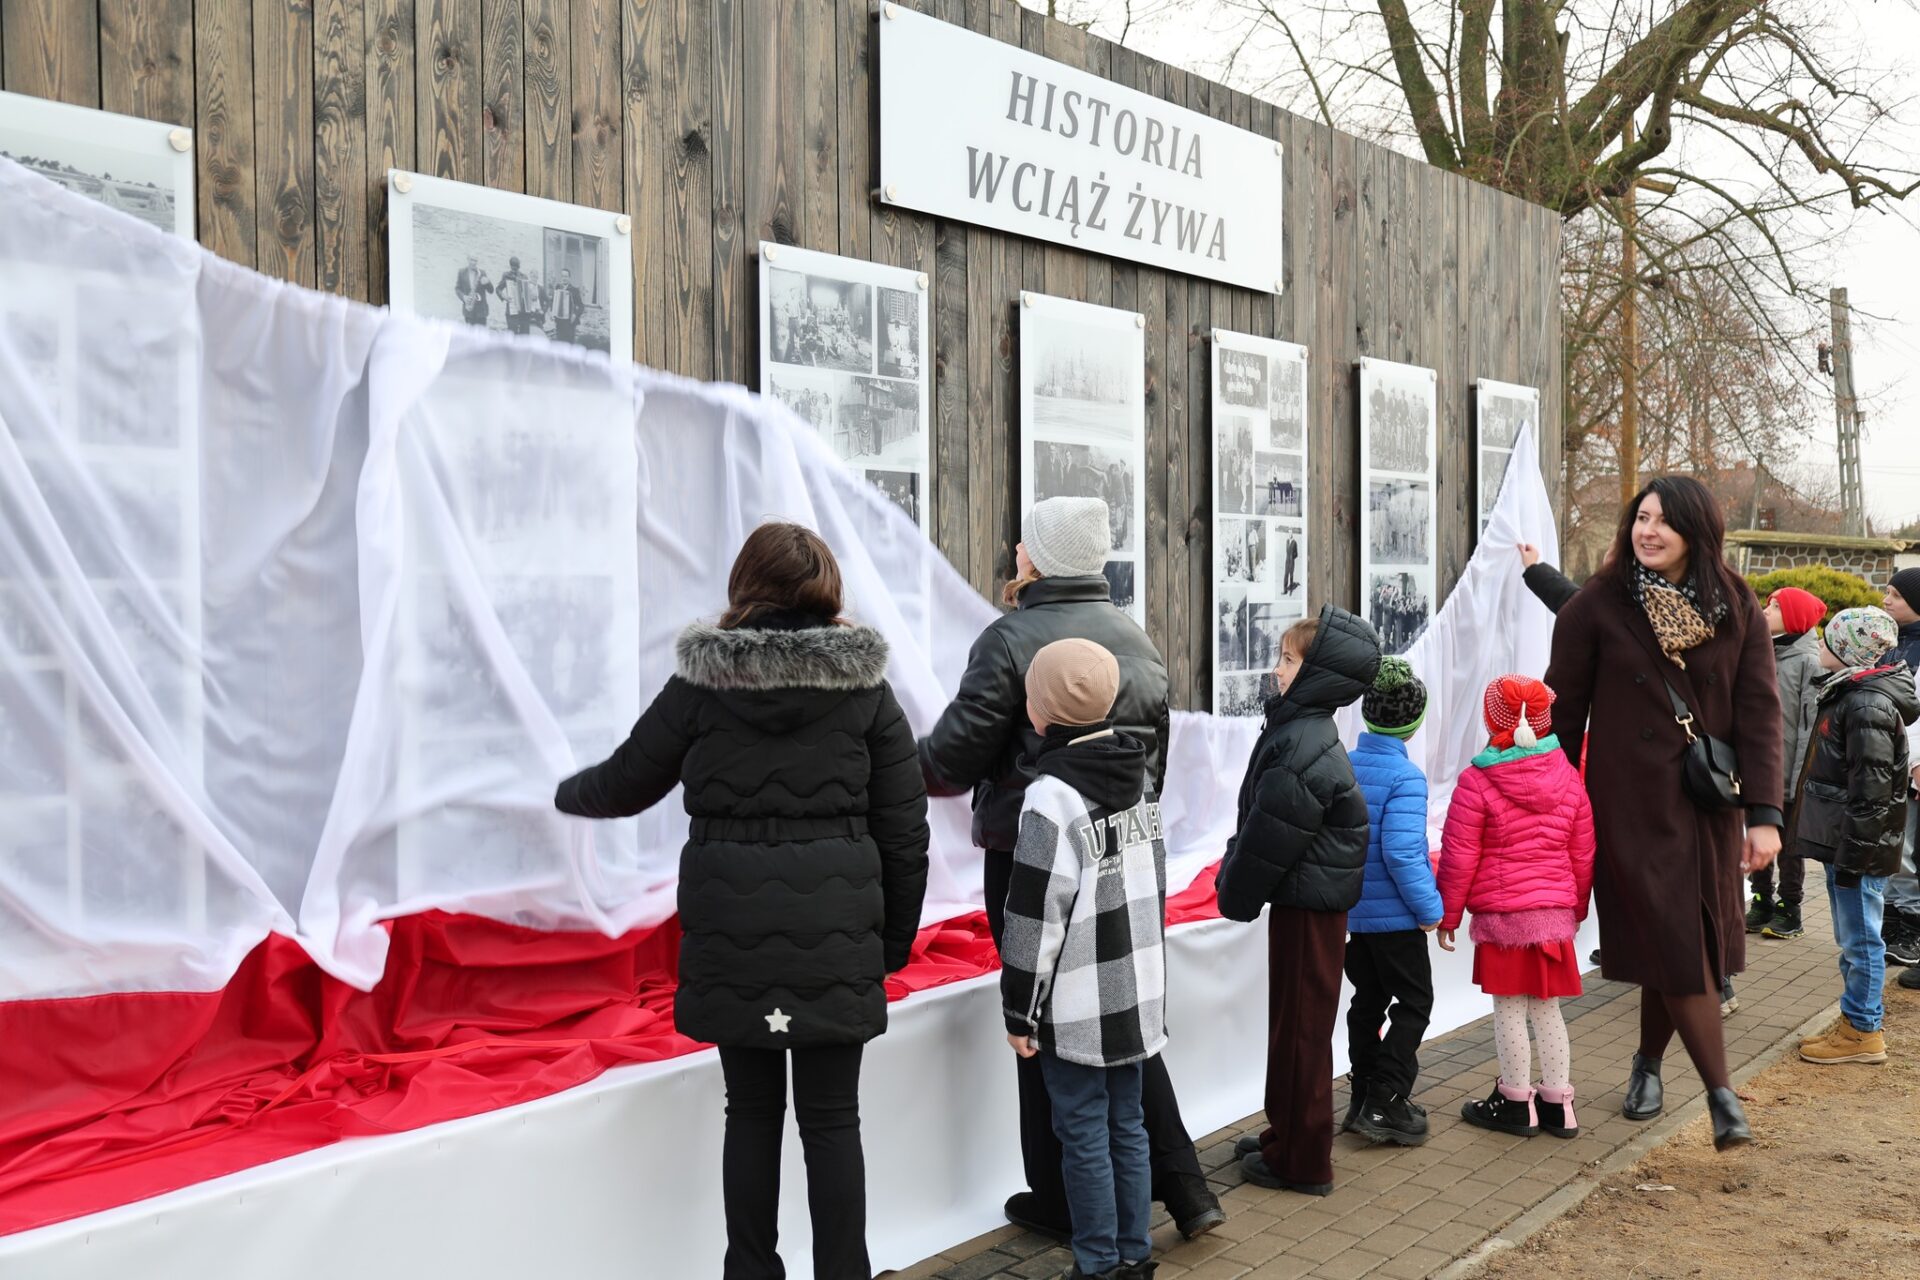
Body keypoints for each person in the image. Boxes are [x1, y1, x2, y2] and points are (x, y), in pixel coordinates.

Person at [553, 522, 930, 1280]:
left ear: (746, 586)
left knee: (750, 1112)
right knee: (833, 1121)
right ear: (825, 591)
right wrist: (888, 945)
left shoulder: (702, 686)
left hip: (733, 935)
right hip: (835, 939)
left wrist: (553, 793)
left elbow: (624, 782)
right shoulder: (865, 691)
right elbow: (905, 830)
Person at [917, 496, 1223, 1242]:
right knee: (1118, 1020)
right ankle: (1185, 1190)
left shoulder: (1010, 640)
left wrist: (875, 754)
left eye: (1026, 542)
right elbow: (1151, 763)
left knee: (1044, 1029)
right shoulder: (1135, 638)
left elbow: (949, 761)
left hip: (1036, 855)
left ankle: (1061, 1200)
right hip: (1124, 847)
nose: (1016, 549)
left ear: (1042, 557)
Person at [1545, 476, 1784, 1152]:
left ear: (1695, 533)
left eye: (1663, 522)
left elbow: (1761, 710)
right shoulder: (1598, 604)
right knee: (1677, 940)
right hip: (1629, 805)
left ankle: (1648, 1063)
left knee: (1684, 941)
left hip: (1709, 801)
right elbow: (1561, 715)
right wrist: (1554, 809)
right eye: (1641, 518)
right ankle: (1721, 1095)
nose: (1647, 532)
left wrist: (1766, 814)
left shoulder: (1734, 601)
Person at [1000, 639, 1167, 1280]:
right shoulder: (1140, 775)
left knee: (1083, 1132)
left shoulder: (1051, 797)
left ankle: (1097, 1263)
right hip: (1137, 988)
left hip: (1077, 1001)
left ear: (1042, 711)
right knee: (1128, 1124)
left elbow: (1032, 916)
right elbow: (1151, 882)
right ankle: (1134, 1254)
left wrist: (1020, 1010)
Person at [1218, 606, 1378, 1195]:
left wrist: (1234, 892)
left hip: (1310, 906)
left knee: (1302, 1031)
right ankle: (1285, 1134)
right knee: (1293, 1025)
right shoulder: (1301, 729)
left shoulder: (1302, 745)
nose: (1277, 670)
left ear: (1316, 675)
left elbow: (1271, 833)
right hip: (1307, 900)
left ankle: (1303, 1160)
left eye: (1288, 660)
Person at [1438, 675, 1596, 1140]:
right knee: (1547, 1010)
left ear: (1492, 720)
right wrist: (1575, 909)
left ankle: (1515, 1103)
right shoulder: (1568, 777)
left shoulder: (1476, 781)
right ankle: (1559, 1105)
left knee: (1509, 1009)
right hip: (1552, 917)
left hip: (1503, 918)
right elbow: (1583, 851)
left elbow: (1460, 854)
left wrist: (1449, 915)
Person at [1793, 607, 1917, 1065]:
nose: (1820, 645)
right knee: (1852, 937)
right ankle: (1855, 1020)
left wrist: (1853, 858)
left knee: (1861, 939)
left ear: (1850, 650)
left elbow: (1872, 792)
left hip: (1857, 847)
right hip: (1848, 842)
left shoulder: (1866, 704)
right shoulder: (1851, 692)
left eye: (1829, 639)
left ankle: (1863, 1031)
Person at [1340, 656, 1441, 1147]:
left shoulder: (1345, 763)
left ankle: (1361, 1094)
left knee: (1367, 1002)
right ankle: (1386, 1097)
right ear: (1414, 724)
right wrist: (1430, 909)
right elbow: (1402, 852)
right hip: (1397, 918)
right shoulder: (1407, 777)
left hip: (1355, 913)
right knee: (1415, 1002)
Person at [1747, 585, 1826, 941]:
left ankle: (1790, 906)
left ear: (1794, 618)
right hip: (1760, 771)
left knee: (1790, 847)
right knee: (1757, 836)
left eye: (1776, 607)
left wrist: (1799, 779)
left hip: (1790, 772)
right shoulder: (1761, 652)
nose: (1766, 611)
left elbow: (1809, 728)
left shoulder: (1809, 662)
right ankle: (1761, 898)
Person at [1879, 568, 1920, 973]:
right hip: (1886, 765)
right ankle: (1890, 920)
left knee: (1906, 850)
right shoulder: (1892, 644)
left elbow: (1916, 717)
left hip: (1911, 768)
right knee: (1890, 846)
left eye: (1896, 595)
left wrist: (1917, 763)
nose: (1886, 600)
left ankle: (1911, 927)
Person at [549, 267, 585, 345]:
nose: (564, 278)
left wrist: (575, 315)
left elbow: (581, 306)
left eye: (566, 276)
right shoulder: (557, 288)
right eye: (562, 276)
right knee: (560, 344)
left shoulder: (574, 290)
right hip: (559, 322)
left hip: (570, 323)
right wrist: (552, 312)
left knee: (569, 345)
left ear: (569, 278)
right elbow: (553, 302)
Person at [454, 255, 491, 326]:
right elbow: (457, 288)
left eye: (475, 260)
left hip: (481, 312)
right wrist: (464, 297)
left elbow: (491, 291)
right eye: (472, 260)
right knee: (470, 332)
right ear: (468, 260)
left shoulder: (482, 273)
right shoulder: (461, 272)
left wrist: (488, 283)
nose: (473, 262)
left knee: (481, 332)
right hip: (469, 311)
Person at [498, 255, 531, 335]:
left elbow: (527, 293)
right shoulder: (506, 276)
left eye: (516, 268)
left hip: (523, 312)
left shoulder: (524, 277)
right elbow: (498, 289)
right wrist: (504, 296)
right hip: (511, 310)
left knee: (524, 335)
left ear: (519, 267)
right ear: (510, 266)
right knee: (513, 335)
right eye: (513, 268)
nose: (514, 270)